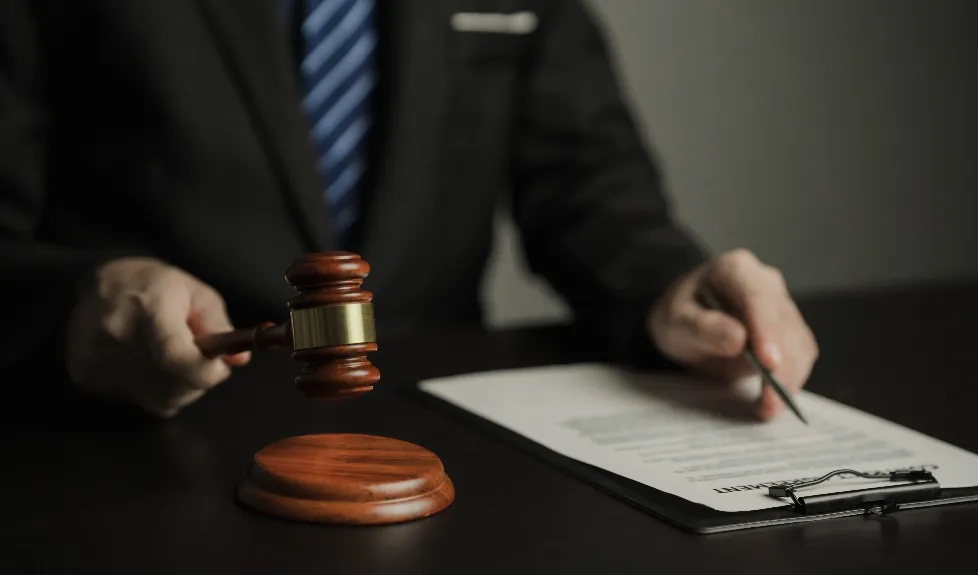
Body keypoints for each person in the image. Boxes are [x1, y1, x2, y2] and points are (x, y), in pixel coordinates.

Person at [0, 0, 817, 419]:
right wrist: (77, 306)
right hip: (137, 436)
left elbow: (587, 178)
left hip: (440, 426)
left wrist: (665, 287)